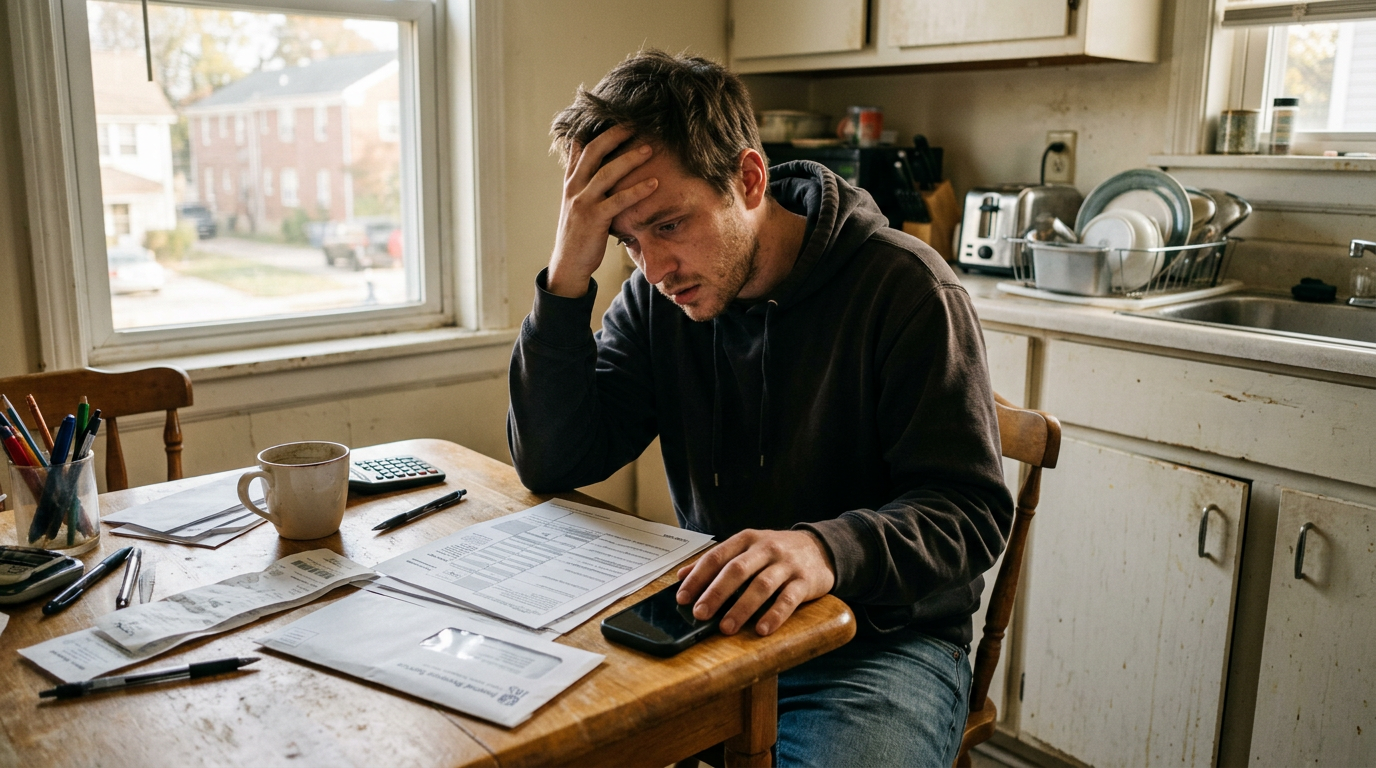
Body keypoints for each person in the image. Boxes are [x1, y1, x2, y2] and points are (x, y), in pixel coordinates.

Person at [508, 50, 1013, 767]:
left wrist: (823, 550)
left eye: (670, 224)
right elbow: (555, 460)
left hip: (876, 646)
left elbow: (971, 511)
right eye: (627, 241)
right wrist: (567, 275)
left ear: (748, 179)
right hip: (717, 626)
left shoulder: (905, 289)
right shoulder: (657, 301)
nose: (653, 268)